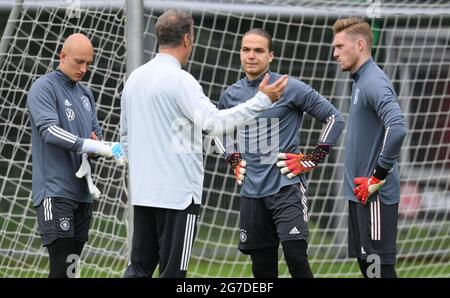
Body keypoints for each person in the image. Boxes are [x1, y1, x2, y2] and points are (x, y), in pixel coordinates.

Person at [119, 10, 288, 278]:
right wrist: (262, 100)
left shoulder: (135, 79)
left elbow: (125, 138)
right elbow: (215, 124)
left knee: (139, 268)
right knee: (174, 274)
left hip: (142, 195)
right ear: (187, 39)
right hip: (178, 198)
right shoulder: (181, 80)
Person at [217, 28, 345, 278]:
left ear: (270, 56)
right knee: (262, 271)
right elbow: (216, 129)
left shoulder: (290, 87)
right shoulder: (230, 95)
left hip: (287, 190)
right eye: (246, 49)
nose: (251, 56)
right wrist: (232, 158)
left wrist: (312, 159)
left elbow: (334, 118)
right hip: (252, 193)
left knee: (296, 258)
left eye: (258, 50)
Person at [27, 33, 123, 278]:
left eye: (88, 63)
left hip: (82, 196)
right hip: (55, 193)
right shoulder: (44, 87)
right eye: (79, 62)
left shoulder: (86, 95)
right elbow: (50, 131)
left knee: (70, 270)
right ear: (62, 56)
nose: (84, 69)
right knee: (61, 267)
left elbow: (95, 140)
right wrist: (91, 145)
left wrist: (104, 148)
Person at [332, 17, 407, 278]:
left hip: (374, 196)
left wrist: (377, 176)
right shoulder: (361, 81)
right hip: (360, 195)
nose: (335, 53)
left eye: (340, 46)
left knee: (378, 270)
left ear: (360, 44)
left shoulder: (374, 81)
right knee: (369, 268)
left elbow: (397, 127)